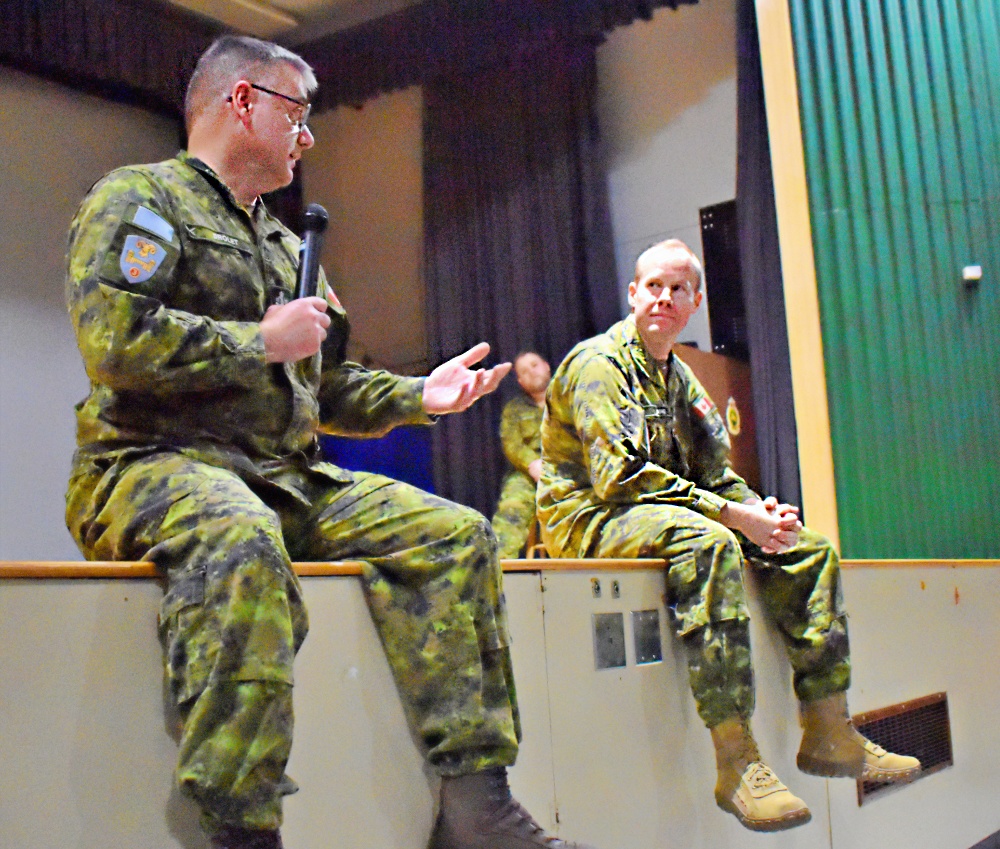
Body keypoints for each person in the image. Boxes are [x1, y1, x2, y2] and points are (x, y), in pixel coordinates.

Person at [65, 35, 598, 849]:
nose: (307, 136)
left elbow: (328, 387)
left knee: (458, 535)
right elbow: (114, 339)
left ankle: (474, 801)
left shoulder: (285, 247)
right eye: (297, 113)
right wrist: (259, 341)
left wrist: (424, 395)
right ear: (242, 101)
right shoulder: (142, 200)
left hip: (280, 473)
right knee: (240, 538)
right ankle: (243, 827)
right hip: (147, 461)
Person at [537, 239, 920, 833]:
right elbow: (620, 478)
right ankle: (736, 760)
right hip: (589, 516)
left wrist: (760, 513)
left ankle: (828, 729)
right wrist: (734, 518)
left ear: (695, 302)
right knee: (706, 541)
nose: (664, 297)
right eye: (654, 286)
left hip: (657, 511)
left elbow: (716, 473)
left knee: (806, 549)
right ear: (633, 293)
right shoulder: (598, 365)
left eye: (678, 289)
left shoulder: (679, 376)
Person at [490, 352, 551, 557]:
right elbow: (512, 443)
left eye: (534, 365)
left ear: (546, 366)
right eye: (525, 371)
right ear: (520, 381)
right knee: (512, 508)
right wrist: (532, 464)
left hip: (569, 471)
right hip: (527, 474)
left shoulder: (568, 400)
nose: (532, 372)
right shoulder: (514, 409)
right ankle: (499, 571)